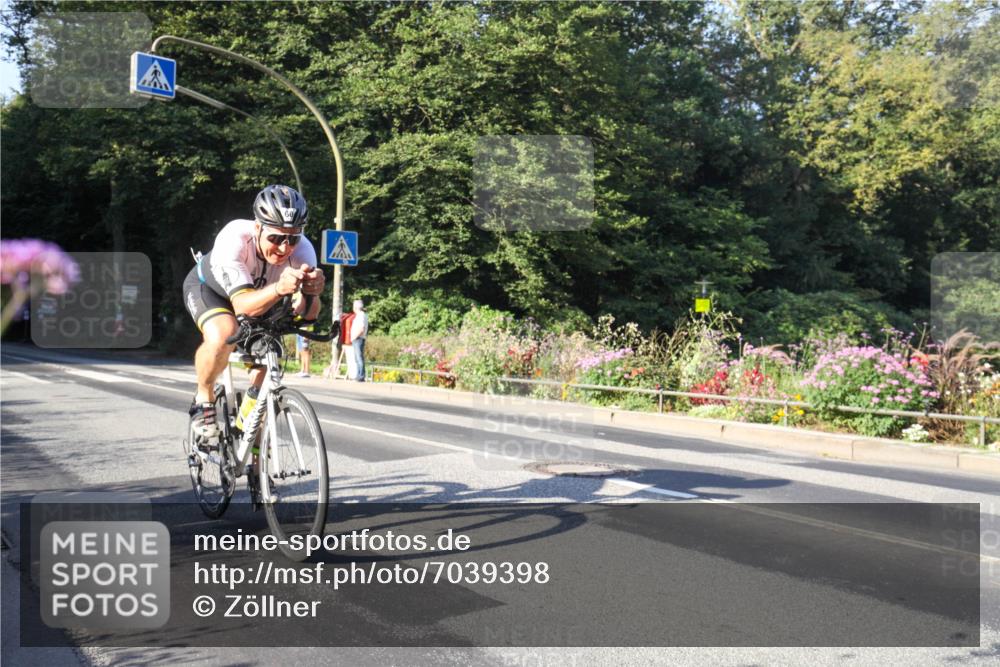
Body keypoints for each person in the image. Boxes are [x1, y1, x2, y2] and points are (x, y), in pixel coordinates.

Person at [182, 184, 326, 438]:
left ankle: (247, 431)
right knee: (224, 333)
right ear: (258, 227)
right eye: (276, 238)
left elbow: (309, 315)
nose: (284, 248)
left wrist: (311, 293)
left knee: (270, 355)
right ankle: (204, 396)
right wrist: (279, 288)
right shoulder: (234, 238)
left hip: (260, 298)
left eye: (293, 238)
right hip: (211, 291)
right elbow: (242, 307)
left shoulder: (304, 252)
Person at [349, 298, 368, 381]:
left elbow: (361, 328)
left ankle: (361, 376)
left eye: (353, 306)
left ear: (356, 307)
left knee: (359, 358)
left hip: (358, 339)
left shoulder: (361, 315)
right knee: (358, 358)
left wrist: (354, 337)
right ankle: (359, 375)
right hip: (358, 339)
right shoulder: (361, 315)